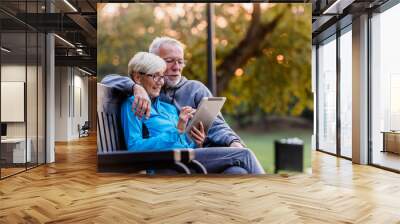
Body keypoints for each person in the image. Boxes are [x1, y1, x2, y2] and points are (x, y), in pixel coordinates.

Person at [121, 52, 265, 174]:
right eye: (155, 76)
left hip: (185, 159)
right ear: (138, 77)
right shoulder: (133, 105)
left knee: (237, 172)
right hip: (166, 165)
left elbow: (183, 143)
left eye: (162, 76)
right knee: (243, 154)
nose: (160, 82)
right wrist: (177, 130)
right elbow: (135, 148)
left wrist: (198, 143)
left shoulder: (168, 108)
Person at [102, 36, 244, 148]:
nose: (177, 68)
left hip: (198, 154)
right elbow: (109, 80)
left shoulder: (194, 90)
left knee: (238, 166)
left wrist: (232, 142)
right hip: (171, 164)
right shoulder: (140, 95)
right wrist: (135, 87)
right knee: (243, 158)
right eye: (169, 61)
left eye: (180, 61)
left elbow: (216, 125)